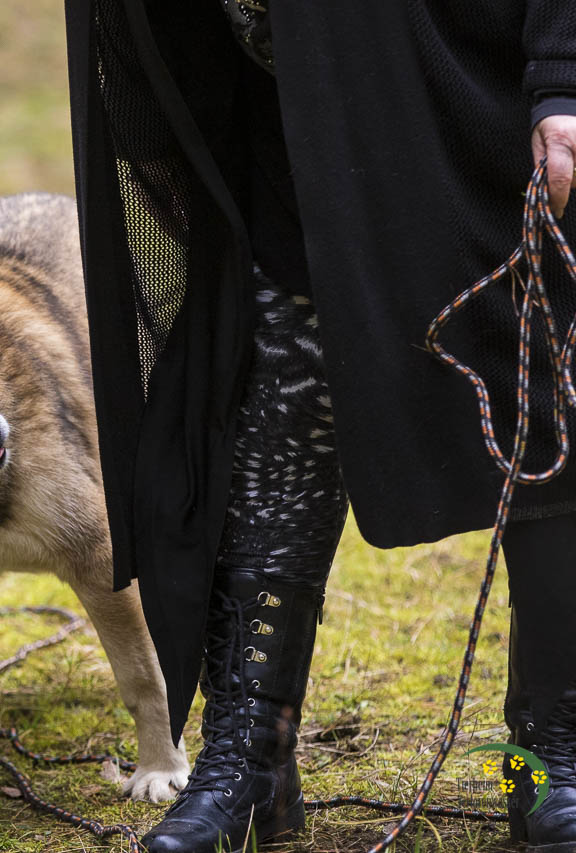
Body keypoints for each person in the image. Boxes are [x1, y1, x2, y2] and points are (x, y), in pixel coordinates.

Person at [63, 2, 576, 850]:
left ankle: (549, 759)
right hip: (276, 86)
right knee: (276, 385)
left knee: (544, 401)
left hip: (468, 71)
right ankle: (251, 763)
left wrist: (564, 74)